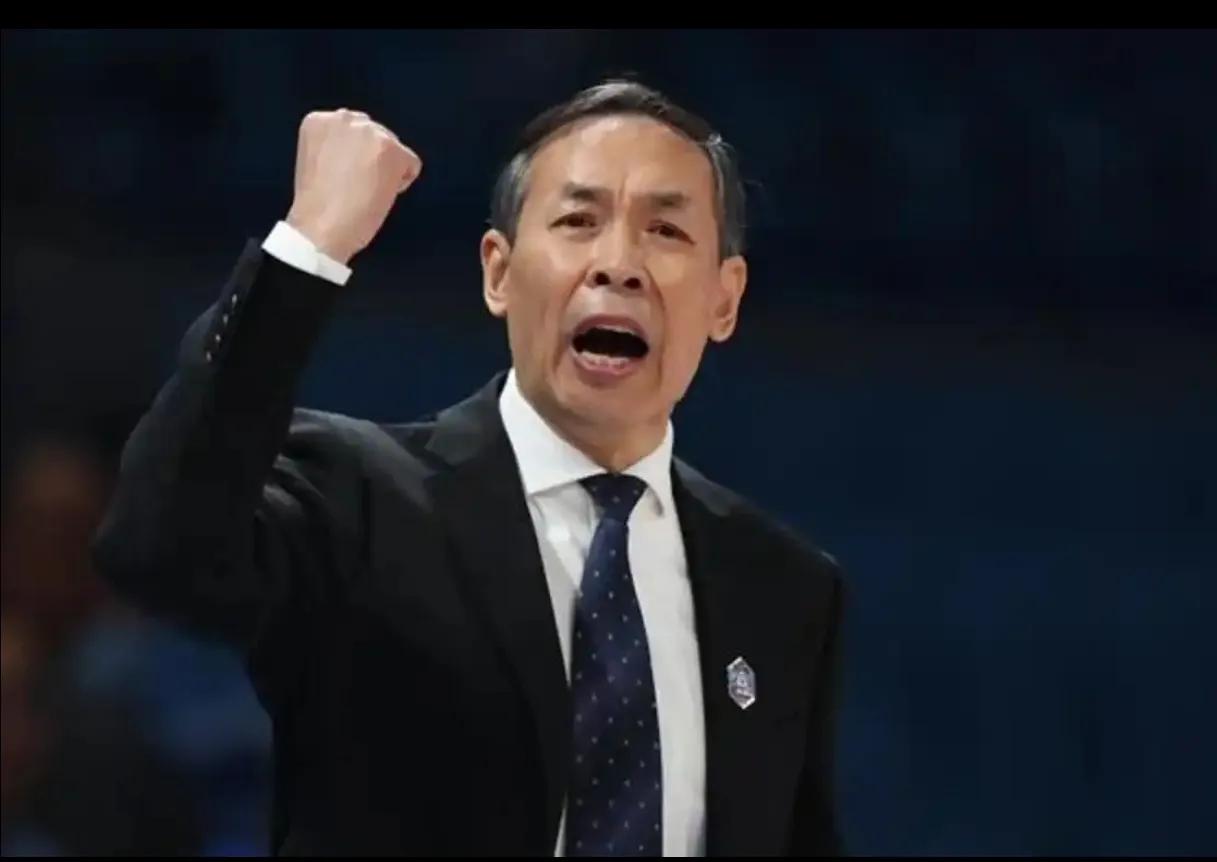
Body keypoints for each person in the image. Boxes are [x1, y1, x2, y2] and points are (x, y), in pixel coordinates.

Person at [91, 79, 847, 857]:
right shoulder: (358, 497)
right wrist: (311, 244)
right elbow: (155, 546)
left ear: (724, 299)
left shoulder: (781, 586)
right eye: (578, 221)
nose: (618, 264)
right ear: (497, 272)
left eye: (666, 230)